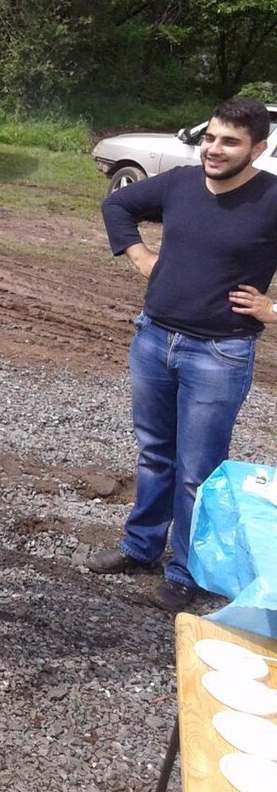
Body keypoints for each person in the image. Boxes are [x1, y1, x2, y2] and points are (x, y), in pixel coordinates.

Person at [90, 96, 277, 612]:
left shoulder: (272, 199)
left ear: (258, 149)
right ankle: (139, 547)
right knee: (154, 454)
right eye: (211, 137)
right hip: (154, 339)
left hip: (220, 353)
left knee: (198, 471)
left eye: (230, 142)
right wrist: (139, 256)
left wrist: (272, 309)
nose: (214, 149)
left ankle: (184, 570)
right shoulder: (179, 183)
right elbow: (118, 205)